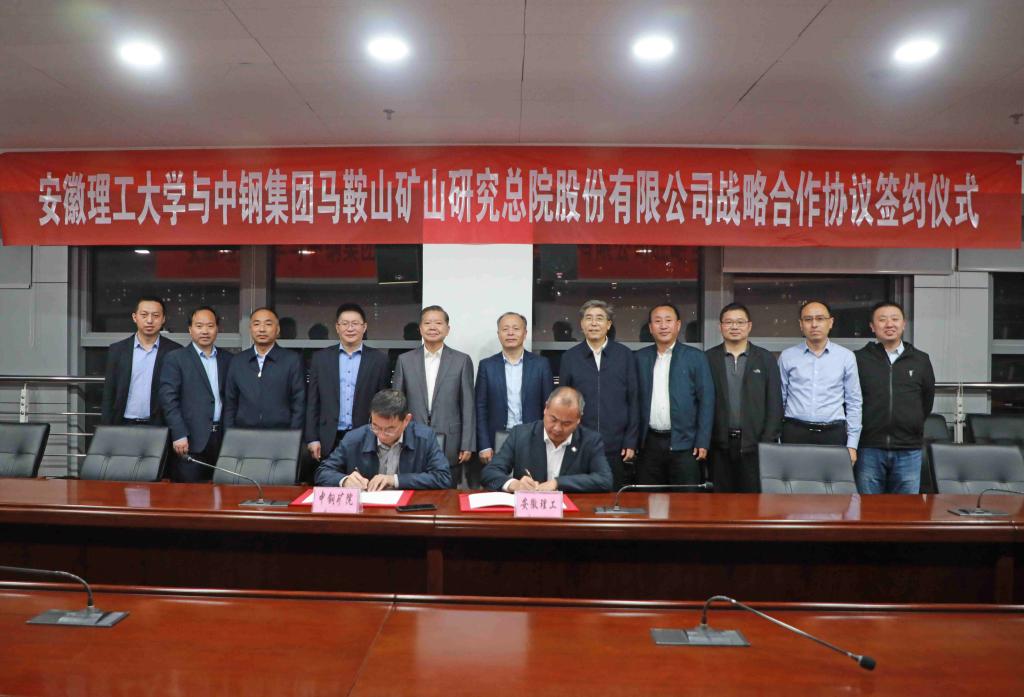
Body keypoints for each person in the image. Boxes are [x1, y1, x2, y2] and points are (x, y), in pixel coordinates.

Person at [854, 301, 936, 493]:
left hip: (909, 448)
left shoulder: (921, 359)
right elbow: (851, 399)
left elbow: (927, 400)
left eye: (895, 319)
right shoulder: (859, 359)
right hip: (869, 447)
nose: (889, 324)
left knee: (906, 508)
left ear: (903, 324)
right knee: (868, 507)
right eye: (882, 320)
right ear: (872, 326)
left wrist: (911, 422)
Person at [558, 299, 639, 491]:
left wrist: (631, 440)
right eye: (589, 318)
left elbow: (634, 400)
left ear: (608, 325)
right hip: (578, 443)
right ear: (582, 324)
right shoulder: (570, 357)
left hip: (617, 445)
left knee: (613, 496)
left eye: (600, 318)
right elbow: (563, 403)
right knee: (579, 496)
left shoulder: (625, 355)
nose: (594, 323)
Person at [392, 305, 475, 487]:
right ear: (420, 328)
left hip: (451, 439)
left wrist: (467, 443)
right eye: (427, 323)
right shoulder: (405, 360)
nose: (432, 327)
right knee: (411, 487)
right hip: (412, 436)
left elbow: (468, 405)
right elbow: (397, 404)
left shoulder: (462, 360)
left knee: (448, 491)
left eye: (438, 323)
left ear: (447, 329)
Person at [705, 303, 783, 492]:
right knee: (719, 501)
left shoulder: (765, 359)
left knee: (752, 502)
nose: (734, 327)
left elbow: (774, 404)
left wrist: (767, 442)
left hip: (755, 446)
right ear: (720, 326)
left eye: (740, 322)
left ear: (749, 326)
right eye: (729, 322)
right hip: (718, 445)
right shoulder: (707, 359)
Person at [635, 303, 715, 486]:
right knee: (650, 499)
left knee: (686, 500)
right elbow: (633, 400)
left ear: (678, 325)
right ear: (650, 328)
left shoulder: (695, 357)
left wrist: (703, 441)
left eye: (668, 320)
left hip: (686, 444)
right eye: (657, 321)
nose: (663, 326)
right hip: (649, 444)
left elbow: (707, 401)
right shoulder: (639, 358)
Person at [480, 386, 612, 493]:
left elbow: (605, 480)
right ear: (545, 408)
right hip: (529, 512)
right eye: (553, 419)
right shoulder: (520, 435)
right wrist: (514, 484)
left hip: (569, 513)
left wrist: (558, 483)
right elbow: (489, 473)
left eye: (566, 423)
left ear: (578, 420)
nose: (557, 428)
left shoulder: (590, 440)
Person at [314, 389, 452, 490]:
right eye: (375, 426)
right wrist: (344, 480)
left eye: (390, 429)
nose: (381, 435)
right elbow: (322, 472)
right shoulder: (354, 439)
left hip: (408, 510)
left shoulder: (424, 437)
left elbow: (443, 478)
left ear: (406, 420)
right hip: (367, 511)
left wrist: (395, 480)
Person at [778, 300, 862, 463]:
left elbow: (854, 402)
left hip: (832, 434)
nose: (814, 324)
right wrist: (778, 438)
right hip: (795, 432)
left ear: (831, 322)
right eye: (808, 319)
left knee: (832, 480)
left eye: (820, 319)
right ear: (801, 324)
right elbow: (780, 400)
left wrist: (852, 445)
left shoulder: (846, 357)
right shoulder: (787, 356)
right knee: (794, 479)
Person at [306, 303, 391, 462]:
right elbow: (313, 402)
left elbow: (383, 404)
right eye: (345, 323)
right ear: (337, 327)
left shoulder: (379, 360)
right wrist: (312, 438)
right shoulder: (320, 359)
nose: (350, 328)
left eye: (355, 323)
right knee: (328, 477)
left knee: (363, 478)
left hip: (366, 437)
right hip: (328, 439)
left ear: (364, 327)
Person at [158, 306, 232, 482]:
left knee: (224, 492)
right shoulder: (176, 358)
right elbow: (169, 399)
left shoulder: (228, 359)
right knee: (189, 493)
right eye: (199, 326)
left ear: (217, 329)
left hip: (222, 439)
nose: (205, 331)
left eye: (210, 326)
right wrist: (179, 433)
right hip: (190, 440)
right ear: (190, 329)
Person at [475, 312, 553, 467]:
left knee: (529, 480)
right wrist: (484, 445)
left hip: (532, 436)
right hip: (496, 438)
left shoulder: (541, 364)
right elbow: (480, 407)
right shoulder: (487, 365)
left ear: (525, 333)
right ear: (498, 334)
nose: (510, 333)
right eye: (505, 329)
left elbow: (549, 406)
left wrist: (548, 439)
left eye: (516, 328)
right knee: (498, 480)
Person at [101, 296, 182, 426]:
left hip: (161, 425)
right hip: (123, 424)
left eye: (155, 315)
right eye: (144, 315)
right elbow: (109, 393)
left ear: (163, 319)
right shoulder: (117, 350)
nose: (149, 320)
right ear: (135, 317)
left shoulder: (175, 351)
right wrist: (106, 426)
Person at [223, 307, 305, 430]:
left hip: (281, 433)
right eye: (256, 324)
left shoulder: (292, 360)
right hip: (244, 434)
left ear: (277, 329)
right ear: (250, 329)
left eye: (268, 324)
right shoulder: (238, 361)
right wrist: (229, 434)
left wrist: (293, 434)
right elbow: (230, 403)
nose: (262, 329)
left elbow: (299, 401)